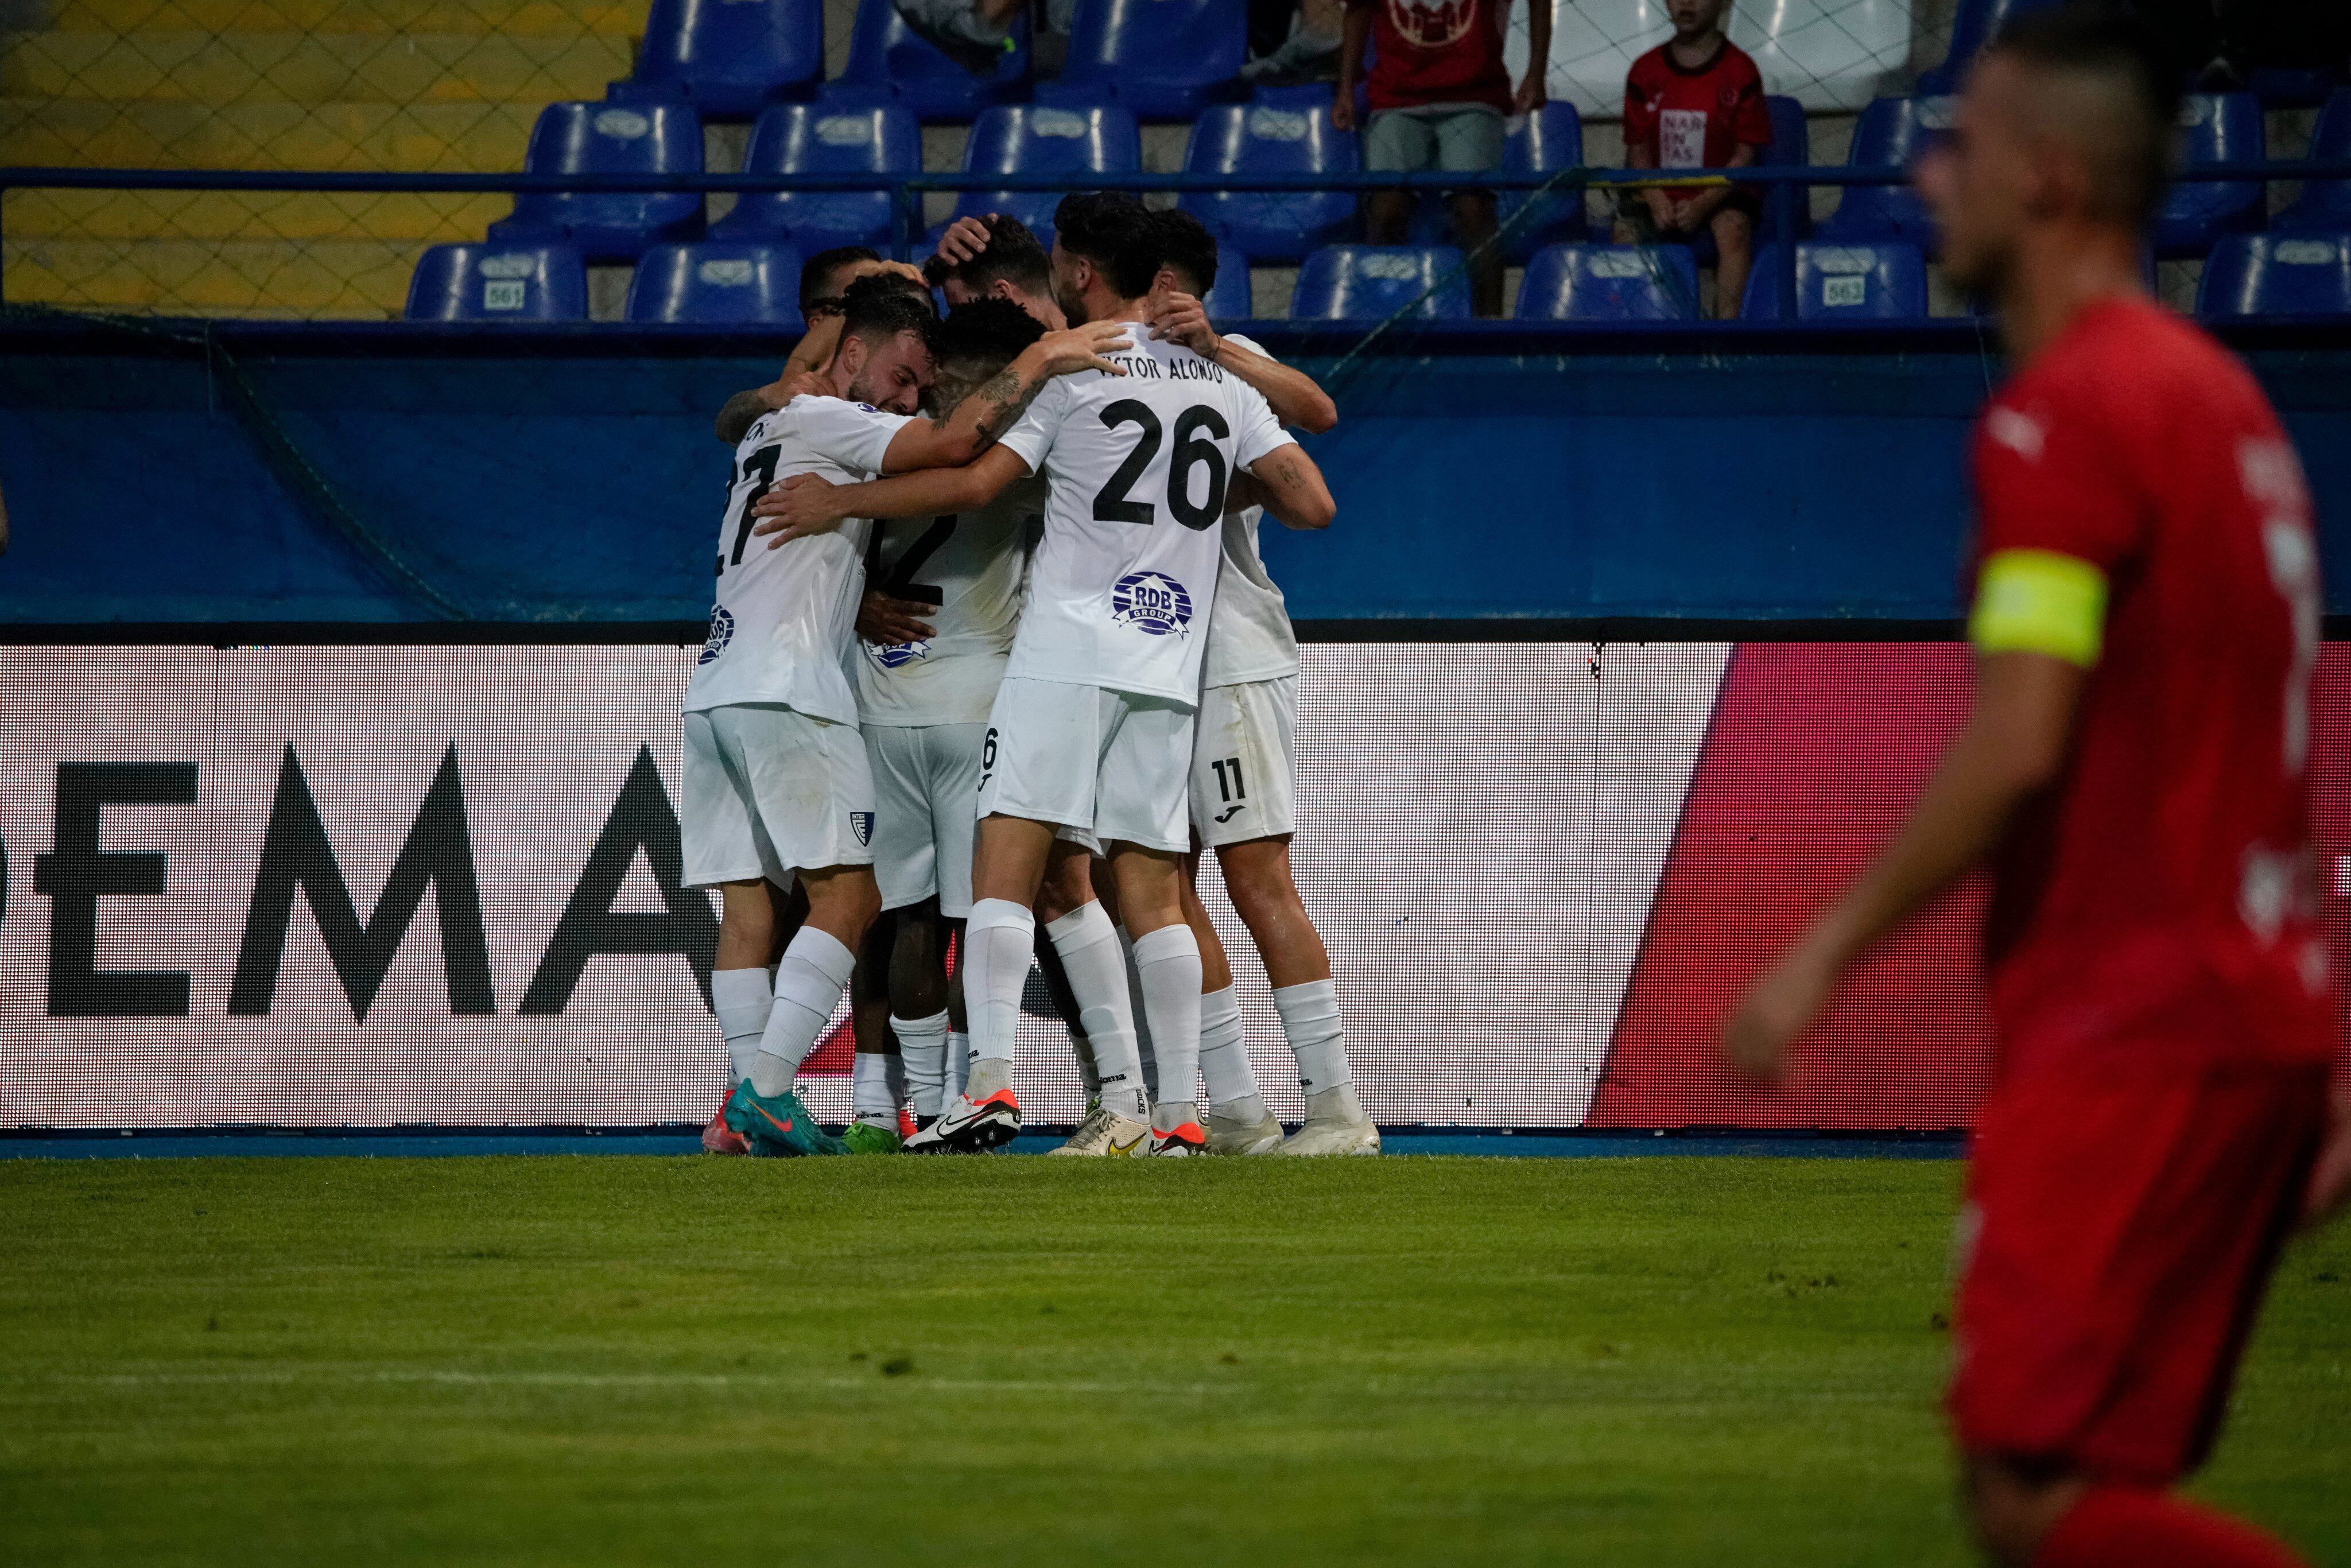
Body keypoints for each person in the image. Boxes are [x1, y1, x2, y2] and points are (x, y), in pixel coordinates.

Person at [1720, 11, 2351, 1566]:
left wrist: (1823, 949)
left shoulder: (2062, 421)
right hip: (2253, 1000)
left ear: (2053, 180)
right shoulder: (2223, 405)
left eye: (1967, 148)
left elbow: (2020, 739)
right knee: (2081, 1486)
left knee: (2035, 1496)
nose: (1930, 179)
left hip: (2137, 1028)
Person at [751, 193, 1339, 1156]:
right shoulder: (1224, 384)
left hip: (1066, 651)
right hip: (1170, 661)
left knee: (1005, 868)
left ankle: (989, 1086)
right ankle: (1174, 1110)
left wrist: (840, 505)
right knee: (1152, 889)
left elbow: (974, 479)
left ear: (1085, 274)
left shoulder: (1071, 372)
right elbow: (1313, 500)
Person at [692, 277, 1131, 1157]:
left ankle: (753, 1111)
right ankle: (787, 1096)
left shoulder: (771, 428)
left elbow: (736, 420)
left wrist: (853, 593)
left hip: (717, 688)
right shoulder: (859, 429)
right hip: (816, 691)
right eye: (896, 375)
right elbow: (958, 448)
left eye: (917, 381)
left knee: (756, 914)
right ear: (852, 353)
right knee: (870, 901)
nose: (904, 396)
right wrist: (1046, 350)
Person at [1142, 209, 1379, 1156]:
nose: (1144, 305)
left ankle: (1336, 1107)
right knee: (1161, 883)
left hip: (1230, 657)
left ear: (1190, 290)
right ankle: (1235, 1108)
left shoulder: (1222, 358)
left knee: (1256, 878)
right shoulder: (1099, 365)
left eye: (1159, 287)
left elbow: (1318, 413)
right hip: (1143, 665)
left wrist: (1218, 348)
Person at [851, 298, 1060, 1150]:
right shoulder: (1017, 466)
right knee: (982, 914)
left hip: (884, 710)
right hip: (980, 707)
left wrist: (859, 602)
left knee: (907, 918)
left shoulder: (879, 446)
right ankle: (970, 1099)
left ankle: (917, 1109)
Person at [1333, 0, 1550, 317]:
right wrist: (1346, 89)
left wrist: (1536, 71)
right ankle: (1383, 321)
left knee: (1474, 208)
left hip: (1475, 94)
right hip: (1396, 95)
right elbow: (1358, 10)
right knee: (1385, 208)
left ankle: (1488, 328)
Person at [1616, 0, 1773, 321]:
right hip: (1658, 187)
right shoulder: (1644, 71)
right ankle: (1633, 329)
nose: (1686, 4)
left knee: (1733, 228)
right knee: (1626, 230)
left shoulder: (1741, 71)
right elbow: (1638, 150)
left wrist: (1705, 201)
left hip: (1721, 190)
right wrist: (1655, 195)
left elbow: (1744, 154)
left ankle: (1726, 336)